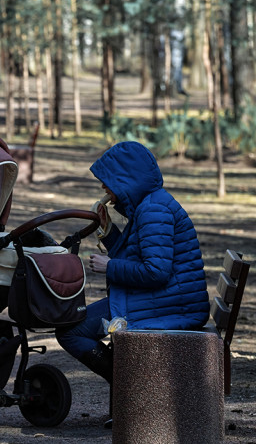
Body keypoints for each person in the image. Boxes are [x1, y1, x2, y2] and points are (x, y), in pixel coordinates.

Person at [55, 141, 210, 421]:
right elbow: (140, 257)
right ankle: (132, 387)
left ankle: (133, 388)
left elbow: (155, 272)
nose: (104, 189)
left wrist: (110, 266)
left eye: (108, 182)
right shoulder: (149, 206)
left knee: (70, 331)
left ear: (126, 179)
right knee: (72, 326)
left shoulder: (153, 212)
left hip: (169, 307)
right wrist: (107, 230)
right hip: (164, 301)